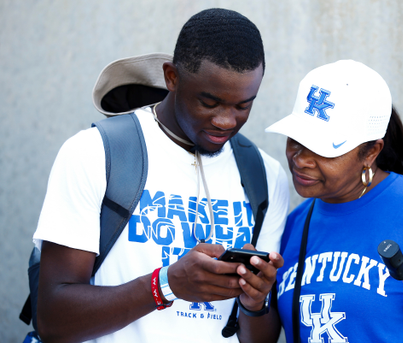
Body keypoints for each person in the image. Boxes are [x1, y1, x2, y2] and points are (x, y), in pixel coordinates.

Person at [33, 8, 289, 343]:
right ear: (172, 77)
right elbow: (53, 319)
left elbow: (260, 338)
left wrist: (254, 301)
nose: (226, 121)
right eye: (209, 102)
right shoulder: (94, 153)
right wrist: (166, 285)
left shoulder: (265, 176)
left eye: (243, 106)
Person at [240, 60, 403, 342]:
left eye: (324, 149)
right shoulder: (294, 224)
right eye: (297, 140)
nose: (301, 159)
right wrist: (254, 302)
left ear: (370, 152)